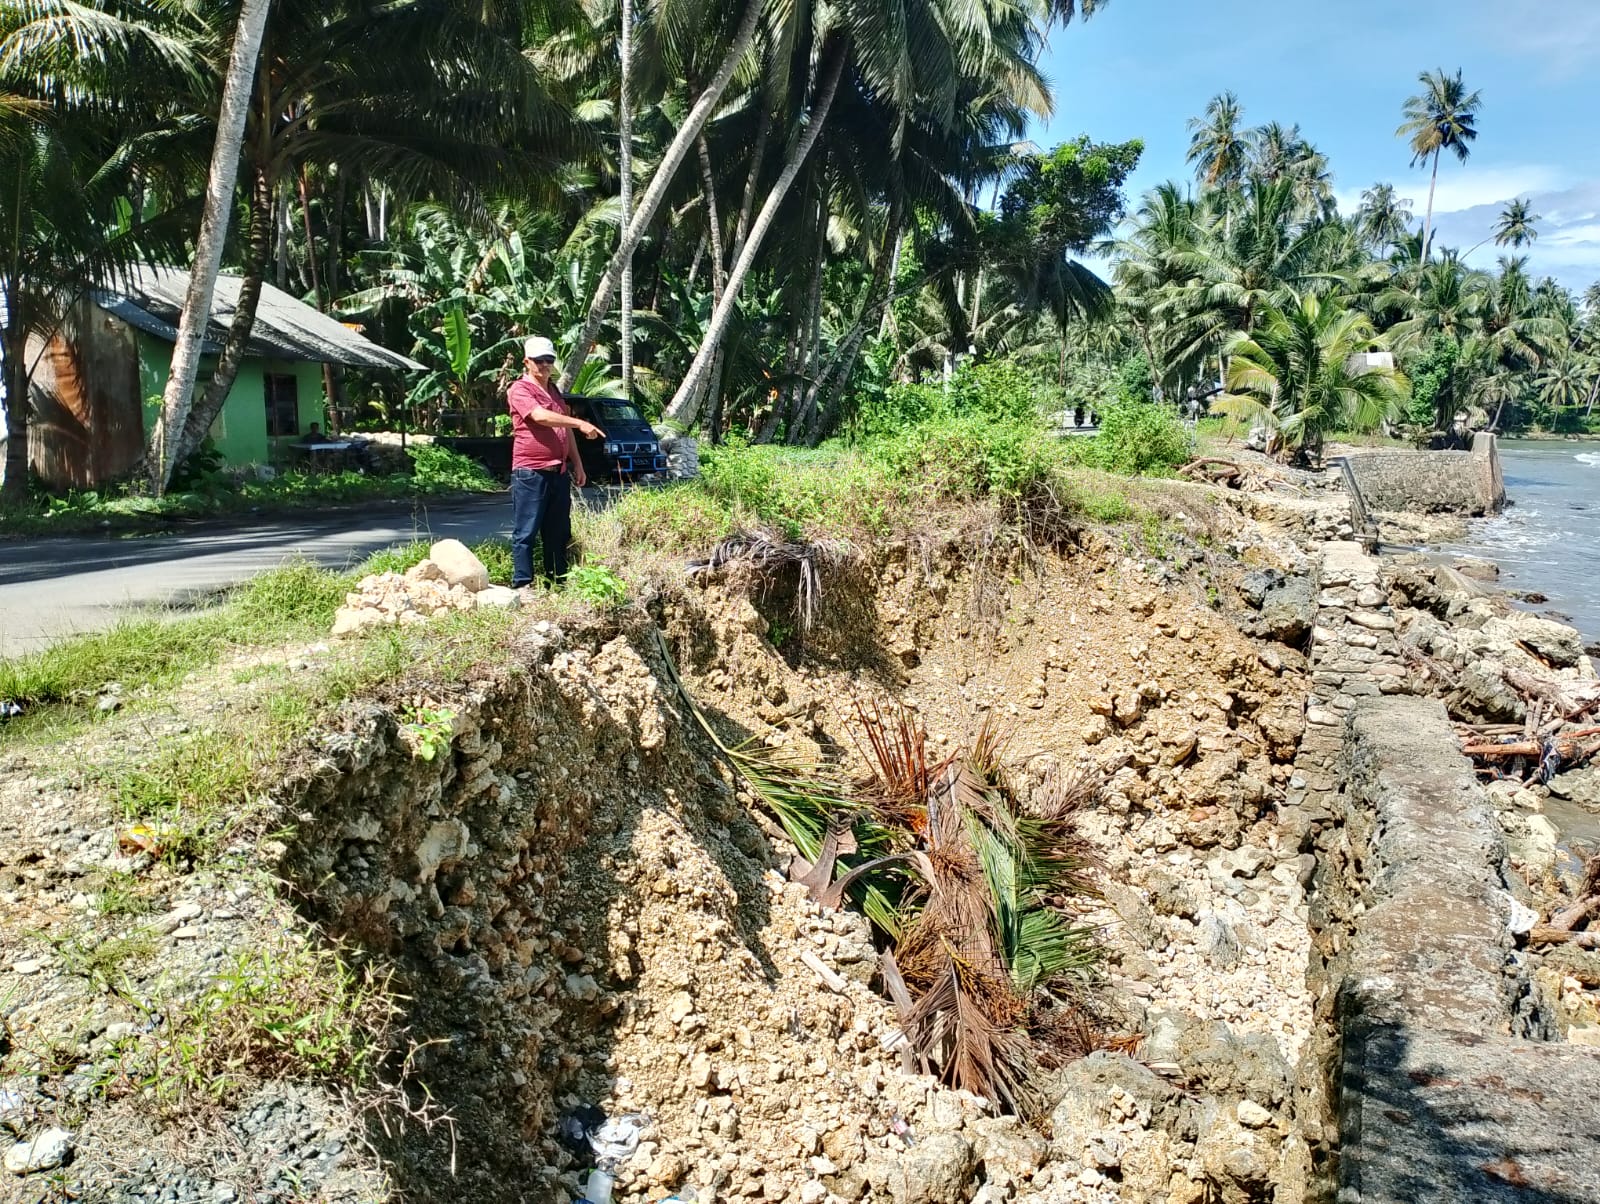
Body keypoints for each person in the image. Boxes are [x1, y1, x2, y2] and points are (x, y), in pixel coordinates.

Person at [506, 335, 604, 587]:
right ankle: (523, 584)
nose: (545, 365)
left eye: (549, 360)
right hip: (530, 472)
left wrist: (578, 464)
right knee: (526, 531)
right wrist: (580, 422)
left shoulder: (554, 391)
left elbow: (565, 430)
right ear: (526, 362)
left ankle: (556, 582)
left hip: (558, 472)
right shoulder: (519, 389)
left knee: (558, 531)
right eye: (539, 361)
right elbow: (539, 416)